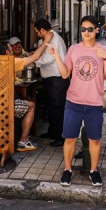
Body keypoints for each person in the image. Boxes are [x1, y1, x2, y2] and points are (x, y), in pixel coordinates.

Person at [47, 15, 106, 187]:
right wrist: (56, 56)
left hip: (94, 103)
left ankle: (93, 171)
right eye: (83, 29)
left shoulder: (104, 50)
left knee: (95, 140)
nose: (86, 32)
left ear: (96, 30)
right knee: (70, 138)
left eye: (90, 29)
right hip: (74, 102)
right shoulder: (73, 49)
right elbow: (64, 74)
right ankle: (67, 170)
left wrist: (105, 58)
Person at [0, 40, 49, 151]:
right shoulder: (11, 62)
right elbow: (36, 57)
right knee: (31, 106)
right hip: (4, 107)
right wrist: (47, 40)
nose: (12, 53)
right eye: (10, 50)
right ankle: (23, 141)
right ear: (6, 53)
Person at [33, 19, 69, 147]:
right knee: (51, 107)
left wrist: (33, 61)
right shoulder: (48, 39)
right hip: (50, 79)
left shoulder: (53, 40)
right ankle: (52, 132)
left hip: (57, 79)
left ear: (42, 30)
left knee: (57, 108)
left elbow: (47, 59)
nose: (37, 34)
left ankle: (60, 137)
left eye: (37, 32)